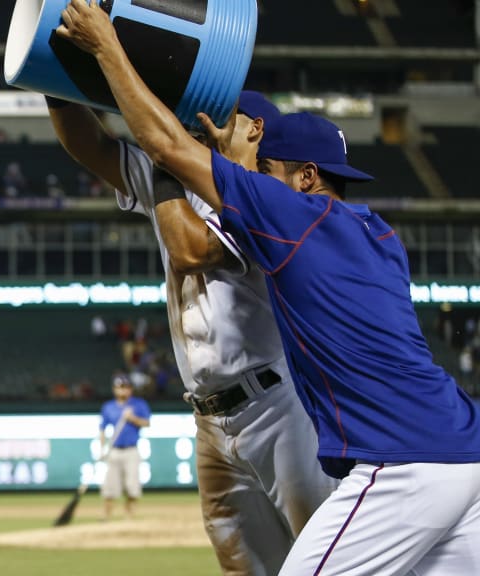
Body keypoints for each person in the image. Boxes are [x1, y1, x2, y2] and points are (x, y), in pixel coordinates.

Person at [56, 2, 480, 573]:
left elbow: (186, 235)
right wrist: (55, 75)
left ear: (300, 173)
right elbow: (109, 149)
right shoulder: (374, 231)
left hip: (362, 441)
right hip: (455, 444)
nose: (203, 122)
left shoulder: (281, 212)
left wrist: (110, 50)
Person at [48, 44, 336, 576]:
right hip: (209, 414)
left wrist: (163, 157)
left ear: (256, 132)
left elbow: (191, 249)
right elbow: (89, 145)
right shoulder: (178, 183)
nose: (203, 119)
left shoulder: (264, 195)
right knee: (244, 568)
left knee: (329, 558)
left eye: (224, 114)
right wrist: (55, 80)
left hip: (279, 406)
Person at [98, 375, 150, 521]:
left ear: (130, 389)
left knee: (132, 485)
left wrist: (132, 418)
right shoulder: (109, 407)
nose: (123, 390)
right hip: (114, 450)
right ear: (114, 389)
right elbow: (102, 429)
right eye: (120, 387)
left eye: (126, 387)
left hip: (131, 450)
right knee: (110, 486)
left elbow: (146, 423)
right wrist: (102, 449)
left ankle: (129, 517)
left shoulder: (138, 404)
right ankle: (105, 516)